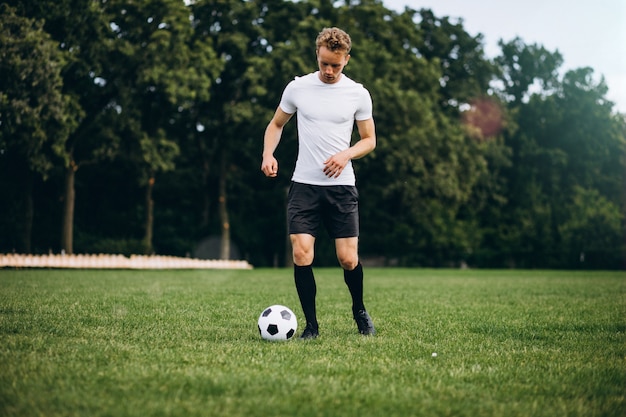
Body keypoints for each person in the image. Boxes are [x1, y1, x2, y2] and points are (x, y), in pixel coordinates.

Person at [261, 27, 377, 339]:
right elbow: (275, 124)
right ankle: (311, 326)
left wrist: (346, 155)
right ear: (317, 55)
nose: (328, 70)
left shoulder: (358, 94)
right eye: (324, 63)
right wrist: (268, 154)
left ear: (346, 60)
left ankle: (359, 311)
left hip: (342, 188)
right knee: (301, 253)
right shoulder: (298, 88)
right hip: (304, 186)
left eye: (335, 65)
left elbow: (369, 140)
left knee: (347, 258)